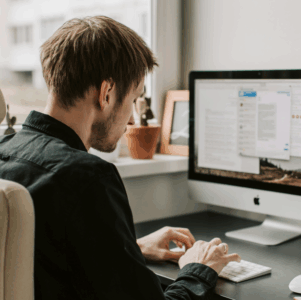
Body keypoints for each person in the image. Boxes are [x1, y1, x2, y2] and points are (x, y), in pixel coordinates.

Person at [0, 16, 241, 300]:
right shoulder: (85, 177)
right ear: (107, 93)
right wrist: (197, 269)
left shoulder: (6, 149)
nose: (130, 119)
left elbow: (43, 260)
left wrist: (131, 248)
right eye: (133, 99)